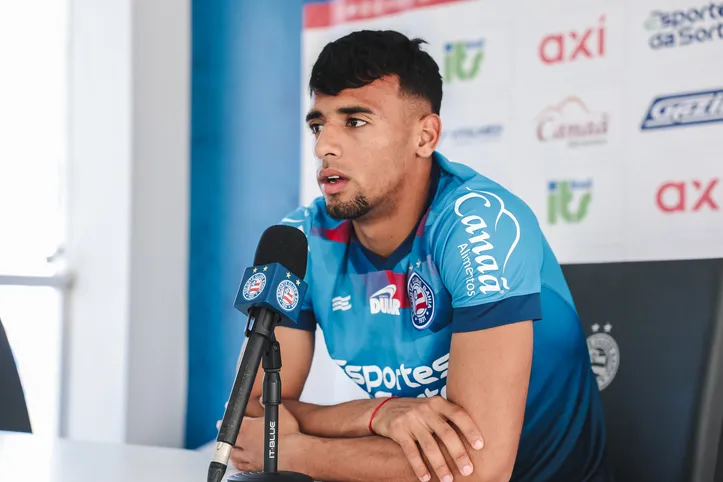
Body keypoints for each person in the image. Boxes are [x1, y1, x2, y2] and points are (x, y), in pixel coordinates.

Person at [229, 30, 610, 482]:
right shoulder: (299, 238)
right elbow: (249, 419)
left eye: (354, 121)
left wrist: (295, 451)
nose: (323, 147)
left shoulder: (478, 224)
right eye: (318, 125)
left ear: (425, 136)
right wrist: (376, 415)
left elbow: (478, 471)